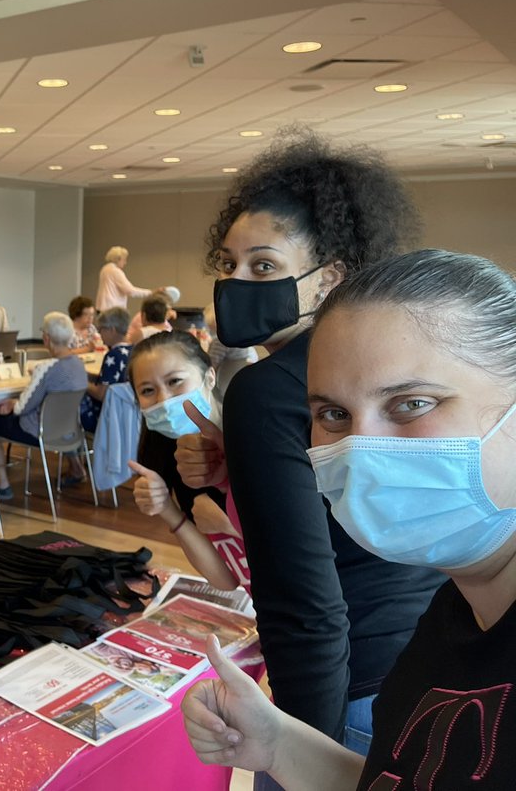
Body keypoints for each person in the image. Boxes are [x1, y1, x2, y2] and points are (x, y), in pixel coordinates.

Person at [184, 248, 516, 789]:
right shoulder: (451, 616)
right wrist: (280, 745)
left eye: (412, 403)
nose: (361, 449)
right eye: (333, 414)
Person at [174, 130, 444, 771]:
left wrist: (297, 753)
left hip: (351, 691)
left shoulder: (266, 392)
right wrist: (240, 467)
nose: (236, 282)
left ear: (330, 280)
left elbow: (303, 605)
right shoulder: (382, 370)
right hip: (430, 664)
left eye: (263, 266)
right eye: (228, 264)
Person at [126, 331, 244, 591]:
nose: (164, 400)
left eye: (175, 381)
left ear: (209, 377)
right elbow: (225, 580)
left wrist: (232, 525)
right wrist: (166, 508)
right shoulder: (174, 457)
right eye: (148, 390)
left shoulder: (253, 437)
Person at [0, 312, 88, 501]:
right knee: (59, 415)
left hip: (40, 431)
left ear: (46, 338)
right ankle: (77, 467)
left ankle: (3, 485)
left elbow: (22, 408)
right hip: (68, 430)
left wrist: (13, 403)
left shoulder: (46, 368)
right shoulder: (79, 365)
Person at [79, 307, 133, 434]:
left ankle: (70, 448)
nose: (99, 334)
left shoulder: (114, 355)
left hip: (106, 416)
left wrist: (81, 380)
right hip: (126, 413)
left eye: (101, 329)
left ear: (112, 330)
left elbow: (101, 394)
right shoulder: (134, 350)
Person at [95, 246, 156, 311]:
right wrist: (150, 292)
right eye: (124, 260)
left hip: (102, 307)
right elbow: (130, 291)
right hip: (112, 309)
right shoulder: (116, 271)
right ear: (118, 259)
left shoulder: (105, 269)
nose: (125, 263)